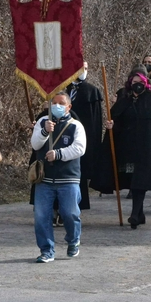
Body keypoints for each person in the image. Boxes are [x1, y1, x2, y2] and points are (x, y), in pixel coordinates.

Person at [96, 68, 151, 229]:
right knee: (133, 180)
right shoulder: (125, 99)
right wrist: (112, 125)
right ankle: (140, 213)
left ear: (146, 83)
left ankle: (135, 214)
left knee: (140, 180)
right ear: (130, 83)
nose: (137, 85)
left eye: (140, 82)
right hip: (128, 148)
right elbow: (118, 122)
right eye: (134, 82)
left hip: (147, 148)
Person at [30, 92, 86, 262]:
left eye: (61, 103)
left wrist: (59, 154)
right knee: (41, 216)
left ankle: (73, 240)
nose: (57, 106)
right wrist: (44, 132)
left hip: (68, 178)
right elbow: (35, 144)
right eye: (54, 103)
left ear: (69, 107)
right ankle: (46, 250)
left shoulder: (75, 125)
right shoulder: (42, 122)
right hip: (44, 179)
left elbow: (80, 148)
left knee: (69, 213)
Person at [66, 61, 104, 210]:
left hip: (84, 136)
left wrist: (93, 142)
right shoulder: (64, 90)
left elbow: (96, 121)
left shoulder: (92, 92)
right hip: (65, 134)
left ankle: (79, 202)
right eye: (80, 68)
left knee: (80, 170)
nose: (83, 71)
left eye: (86, 68)